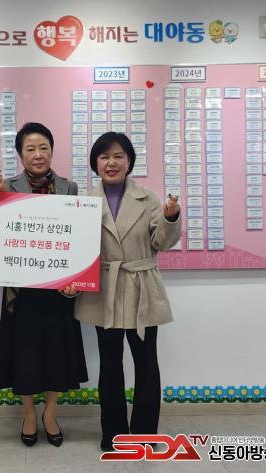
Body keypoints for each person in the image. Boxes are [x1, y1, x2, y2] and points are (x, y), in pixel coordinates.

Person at [73, 132, 181, 451]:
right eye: (104, 156)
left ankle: (145, 434)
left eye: (118, 156)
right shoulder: (84, 203)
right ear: (95, 163)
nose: (112, 162)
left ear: (129, 161)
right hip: (103, 291)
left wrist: (170, 217)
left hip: (141, 287)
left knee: (146, 364)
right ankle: (114, 434)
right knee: (110, 365)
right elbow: (78, 249)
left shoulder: (149, 199)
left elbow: (161, 242)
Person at [0, 122, 88, 447]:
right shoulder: (8, 186)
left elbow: (77, 239)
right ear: (21, 154)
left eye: (43, 147)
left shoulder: (69, 188)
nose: (38, 154)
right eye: (30, 149)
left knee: (58, 353)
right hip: (22, 292)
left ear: (52, 151)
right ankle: (30, 414)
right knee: (26, 354)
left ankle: (50, 413)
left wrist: (75, 280)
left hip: (59, 288)